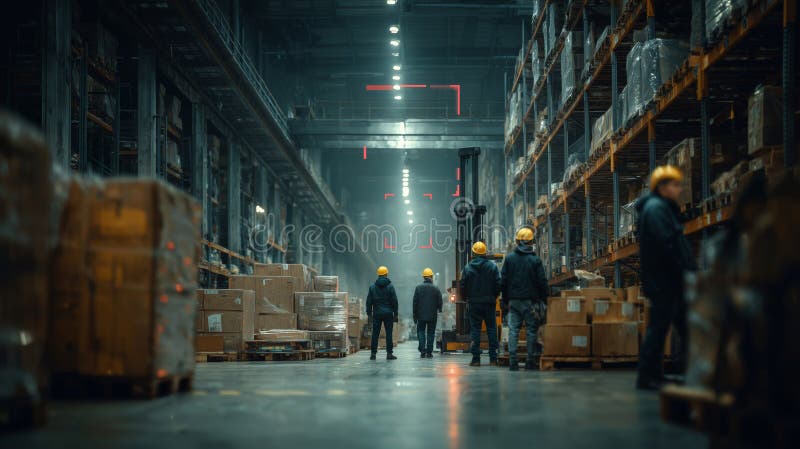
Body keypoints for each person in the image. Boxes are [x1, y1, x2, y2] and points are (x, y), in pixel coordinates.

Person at [635, 165, 695, 390]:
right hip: (665, 280)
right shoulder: (656, 209)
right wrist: (683, 269)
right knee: (661, 326)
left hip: (668, 279)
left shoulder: (660, 208)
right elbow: (666, 244)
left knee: (682, 325)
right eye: (675, 185)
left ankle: (683, 371)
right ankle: (648, 376)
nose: (679, 190)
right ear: (661, 187)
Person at [501, 227, 548, 371]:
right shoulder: (535, 260)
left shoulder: (509, 259)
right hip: (531, 302)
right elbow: (542, 281)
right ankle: (529, 361)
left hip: (514, 301)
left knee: (513, 330)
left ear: (517, 242)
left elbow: (503, 280)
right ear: (531, 242)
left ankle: (513, 362)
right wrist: (544, 299)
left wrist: (505, 299)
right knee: (531, 331)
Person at [459, 241, 502, 367]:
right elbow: (498, 284)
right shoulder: (492, 266)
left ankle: (476, 359)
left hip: (474, 303)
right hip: (489, 303)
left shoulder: (467, 268)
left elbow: (462, 286)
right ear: (485, 253)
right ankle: (493, 359)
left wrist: (467, 298)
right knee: (491, 329)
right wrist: (494, 296)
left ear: (473, 253)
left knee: (475, 330)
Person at [366, 266, 399, 361]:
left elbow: (369, 302)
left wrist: (369, 314)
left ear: (378, 274)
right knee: (389, 334)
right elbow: (395, 301)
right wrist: (395, 313)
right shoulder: (390, 287)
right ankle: (389, 354)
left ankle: (373, 354)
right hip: (388, 314)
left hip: (377, 313)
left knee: (375, 334)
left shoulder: (372, 287)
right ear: (386, 274)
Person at [413, 268, 443, 358]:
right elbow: (440, 301)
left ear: (424, 277)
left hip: (421, 315)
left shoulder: (418, 288)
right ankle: (429, 352)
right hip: (432, 315)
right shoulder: (436, 288)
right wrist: (439, 309)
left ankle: (422, 351)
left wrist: (414, 314)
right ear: (431, 277)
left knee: (421, 331)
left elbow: (415, 302)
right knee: (431, 333)